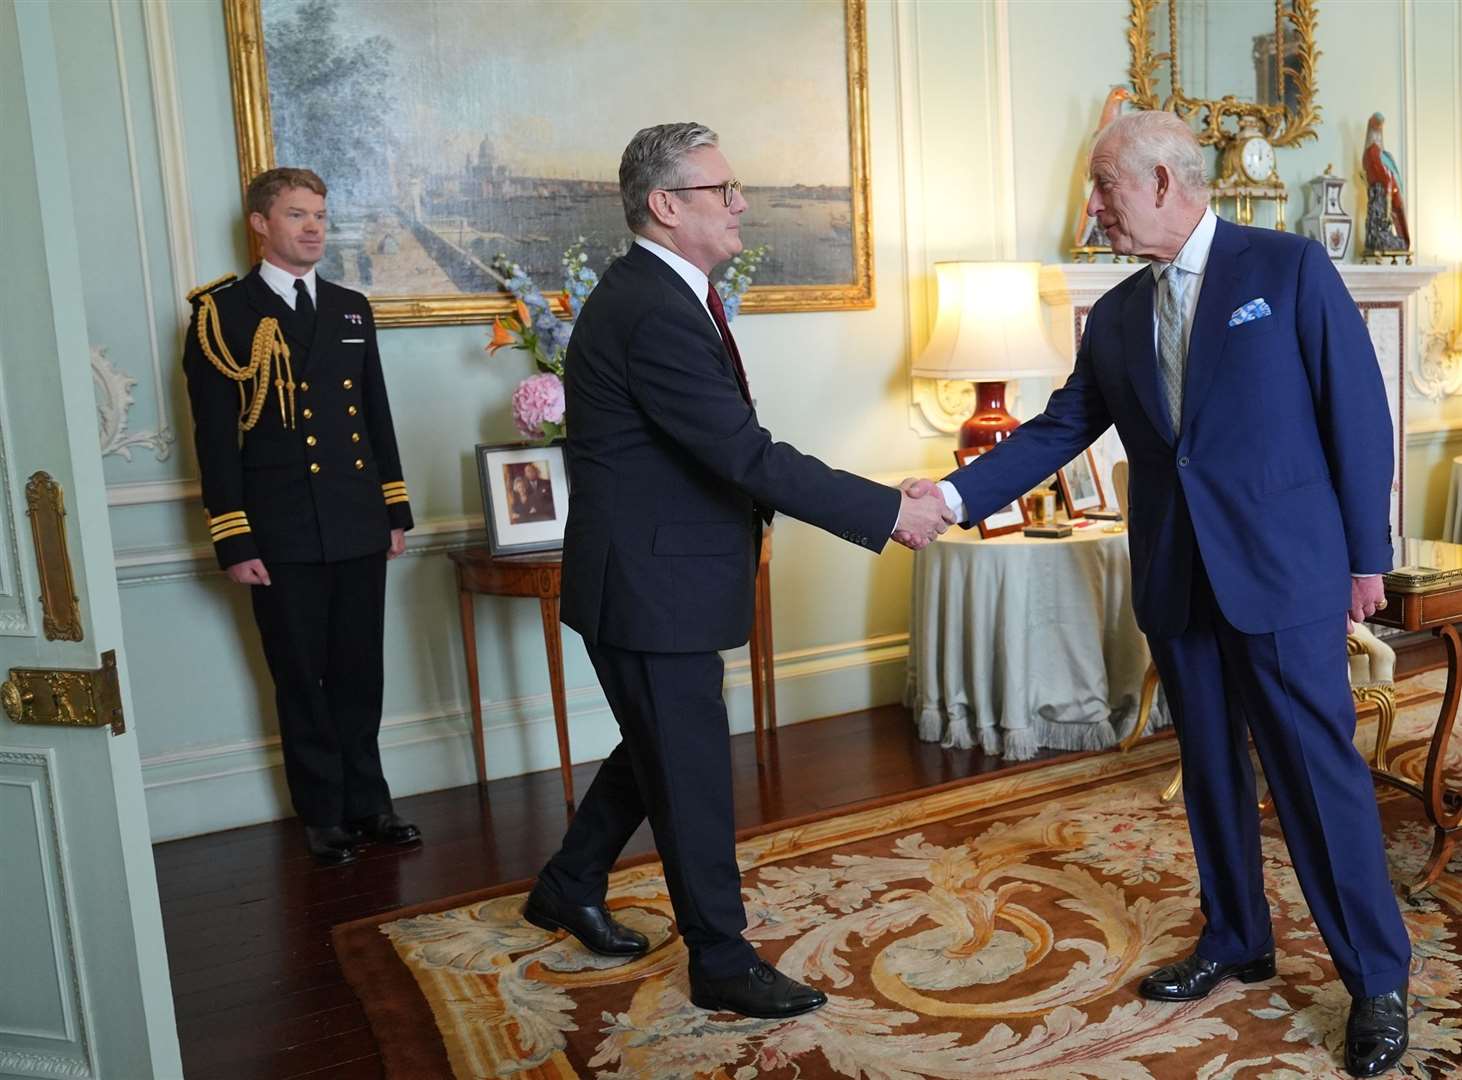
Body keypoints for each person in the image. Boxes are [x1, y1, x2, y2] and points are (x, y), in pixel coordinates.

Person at [925, 111, 1410, 1078]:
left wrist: (1368, 557)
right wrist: (947, 495)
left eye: (1103, 187)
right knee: (1212, 775)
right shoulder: (1112, 315)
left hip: (1282, 574)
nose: (1094, 208)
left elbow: (1356, 414)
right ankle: (1236, 935)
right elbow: (1061, 428)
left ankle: (1377, 980)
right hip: (1178, 580)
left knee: (1317, 778)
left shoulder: (1288, 270)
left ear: (1158, 181)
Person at [522, 122, 951, 1020]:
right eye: (724, 190)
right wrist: (887, 511)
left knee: (658, 748)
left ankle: (569, 883)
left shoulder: (666, 293)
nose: (743, 202)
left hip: (657, 576)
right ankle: (720, 959)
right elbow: (747, 455)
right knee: (687, 767)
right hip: (649, 584)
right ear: (666, 206)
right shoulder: (651, 309)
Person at [182, 167, 421, 867]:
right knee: (301, 676)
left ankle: (369, 802)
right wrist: (233, 535)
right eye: (296, 215)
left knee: (360, 672)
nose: (314, 227)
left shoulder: (350, 308)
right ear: (260, 223)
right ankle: (322, 812)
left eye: (320, 215)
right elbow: (215, 440)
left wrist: (393, 511)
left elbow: (375, 415)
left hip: (353, 519)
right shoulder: (221, 316)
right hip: (278, 529)